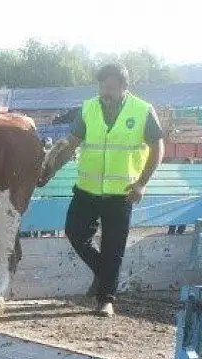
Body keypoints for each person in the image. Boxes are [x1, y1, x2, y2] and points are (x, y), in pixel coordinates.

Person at [44, 63, 164, 317]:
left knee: (113, 246)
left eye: (109, 87)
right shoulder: (88, 108)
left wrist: (142, 183)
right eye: (101, 87)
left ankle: (106, 300)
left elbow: (157, 148)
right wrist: (50, 170)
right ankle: (102, 272)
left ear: (124, 86)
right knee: (74, 233)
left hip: (122, 192)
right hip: (86, 189)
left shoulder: (142, 110)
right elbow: (71, 144)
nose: (104, 92)